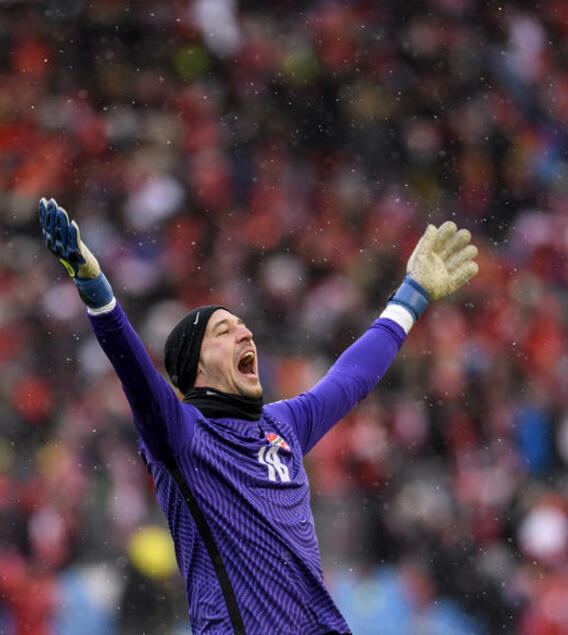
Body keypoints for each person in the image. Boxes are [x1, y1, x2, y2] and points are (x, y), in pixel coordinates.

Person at [38, 198, 478, 634]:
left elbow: (352, 377)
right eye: (224, 331)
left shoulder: (284, 424)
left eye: (243, 325)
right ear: (196, 368)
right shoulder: (180, 433)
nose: (245, 331)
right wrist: (95, 288)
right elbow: (132, 368)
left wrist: (412, 295)